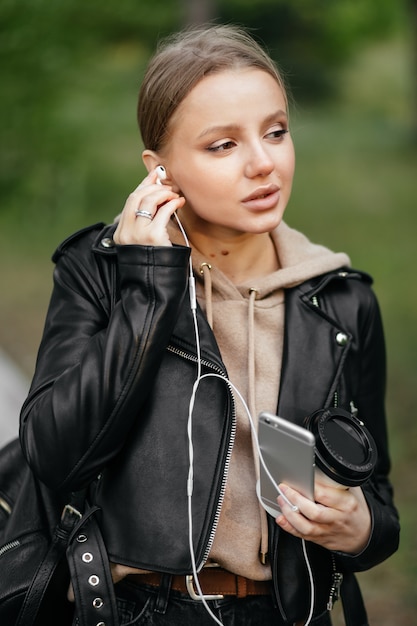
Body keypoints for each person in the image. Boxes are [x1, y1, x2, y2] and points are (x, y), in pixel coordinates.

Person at [20, 24, 400, 626]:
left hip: (288, 613)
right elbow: (56, 455)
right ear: (159, 171)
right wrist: (150, 287)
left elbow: (377, 502)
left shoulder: (342, 301)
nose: (262, 163)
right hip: (133, 611)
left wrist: (360, 528)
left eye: (275, 132)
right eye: (222, 145)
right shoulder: (101, 274)